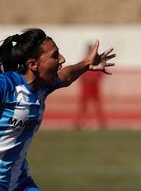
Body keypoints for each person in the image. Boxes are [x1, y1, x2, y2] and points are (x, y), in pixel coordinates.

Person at [0, 28, 115, 191]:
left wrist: (87, 63)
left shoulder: (41, 87)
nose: (62, 59)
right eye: (55, 56)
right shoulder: (7, 86)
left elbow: (66, 76)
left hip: (20, 184)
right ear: (33, 64)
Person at [74, 44, 107, 130]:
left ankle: (101, 122)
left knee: (97, 105)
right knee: (83, 105)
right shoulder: (84, 60)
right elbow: (79, 72)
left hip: (94, 86)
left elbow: (100, 73)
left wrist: (95, 79)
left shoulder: (96, 60)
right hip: (86, 86)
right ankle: (79, 122)